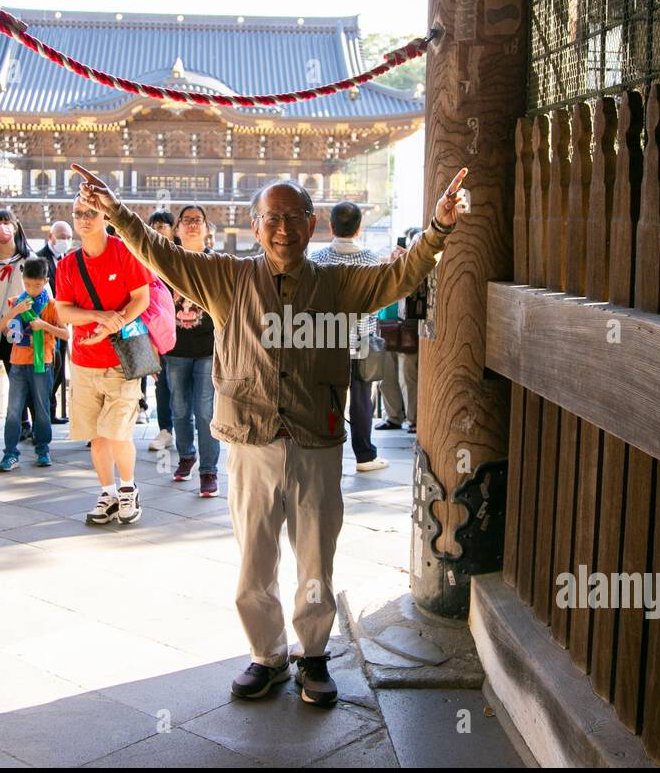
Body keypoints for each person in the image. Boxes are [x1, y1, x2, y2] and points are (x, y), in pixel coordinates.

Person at [70, 161, 467, 707]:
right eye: (271, 218)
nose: (283, 228)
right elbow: (161, 256)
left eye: (294, 217)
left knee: (314, 555)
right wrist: (117, 213)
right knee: (254, 554)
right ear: (255, 227)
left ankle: (314, 655)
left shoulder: (339, 282)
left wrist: (437, 231)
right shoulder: (226, 278)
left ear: (312, 224)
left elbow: (401, 275)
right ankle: (267, 656)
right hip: (251, 437)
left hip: (316, 438)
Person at [53, 193, 153, 526]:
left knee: (118, 431)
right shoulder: (68, 264)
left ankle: (128, 488)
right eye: (78, 213)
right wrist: (100, 317)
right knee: (96, 434)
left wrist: (115, 322)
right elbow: (63, 310)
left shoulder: (124, 252)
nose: (84, 218)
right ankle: (107, 491)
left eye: (91, 213)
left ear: (105, 218)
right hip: (83, 361)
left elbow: (142, 298)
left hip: (121, 359)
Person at [310, 202, 389, 472]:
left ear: (331, 227)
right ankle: (365, 456)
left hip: (327, 340)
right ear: (359, 229)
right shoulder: (370, 260)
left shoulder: (318, 259)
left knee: (327, 398)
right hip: (362, 339)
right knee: (360, 398)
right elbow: (377, 303)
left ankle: (325, 451)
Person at [162, 204, 220, 496]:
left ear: (207, 227)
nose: (192, 225)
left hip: (208, 348)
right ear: (177, 229)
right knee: (180, 408)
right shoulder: (168, 262)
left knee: (205, 411)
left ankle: (209, 470)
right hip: (175, 348)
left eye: (198, 220)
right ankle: (187, 455)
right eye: (186, 220)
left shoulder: (216, 263)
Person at [0, 257, 67, 471]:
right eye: (27, 284)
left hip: (42, 363)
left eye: (37, 285)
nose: (32, 289)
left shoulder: (53, 306)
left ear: (46, 282)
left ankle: (43, 449)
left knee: (42, 407)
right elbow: (1, 328)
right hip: (17, 362)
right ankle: (10, 453)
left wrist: (44, 325)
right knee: (14, 410)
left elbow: (65, 334)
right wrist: (15, 312)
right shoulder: (16, 301)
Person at [0, 207, 35, 441]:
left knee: (33, 374)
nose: (2, 227)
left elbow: (41, 291)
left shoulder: (28, 258)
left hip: (28, 326)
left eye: (6, 222)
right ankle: (21, 422)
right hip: (4, 328)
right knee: (14, 375)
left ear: (15, 226)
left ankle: (37, 421)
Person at [378, 227, 424, 433]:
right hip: (386, 324)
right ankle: (393, 417)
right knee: (386, 375)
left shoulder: (422, 267)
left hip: (409, 328)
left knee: (407, 376)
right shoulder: (392, 265)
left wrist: (410, 262)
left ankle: (413, 419)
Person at [35, 220, 73, 424]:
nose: (65, 241)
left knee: (58, 369)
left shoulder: (69, 259)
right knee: (47, 366)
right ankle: (42, 415)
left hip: (64, 321)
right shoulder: (39, 258)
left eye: (68, 237)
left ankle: (51, 411)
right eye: (61, 236)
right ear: (51, 236)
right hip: (46, 320)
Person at [146, 210, 175, 449]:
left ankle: (186, 429)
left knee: (185, 385)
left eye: (164, 225)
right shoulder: (144, 258)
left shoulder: (181, 257)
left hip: (186, 330)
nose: (159, 229)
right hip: (158, 333)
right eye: (155, 225)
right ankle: (165, 430)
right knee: (161, 382)